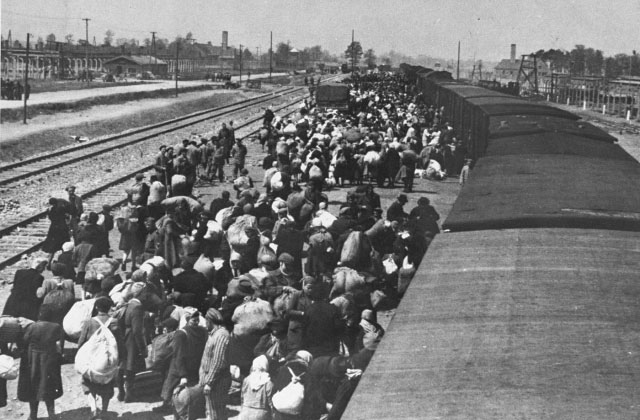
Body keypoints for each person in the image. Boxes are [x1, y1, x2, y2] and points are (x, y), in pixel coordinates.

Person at [17, 304, 65, 420]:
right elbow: (60, 346)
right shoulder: (56, 327)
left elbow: (23, 342)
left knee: (33, 385)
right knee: (49, 385)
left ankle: (33, 414)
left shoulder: (32, 327)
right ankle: (51, 414)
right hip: (50, 359)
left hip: (33, 359)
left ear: (39, 314)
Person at [77, 297, 119, 420]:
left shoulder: (89, 322)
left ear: (96, 307)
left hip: (91, 360)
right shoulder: (114, 322)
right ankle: (104, 411)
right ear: (109, 308)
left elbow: (81, 342)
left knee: (89, 383)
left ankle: (94, 409)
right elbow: (119, 342)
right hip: (108, 360)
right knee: (107, 383)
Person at [161, 309, 208, 407]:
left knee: (173, 387)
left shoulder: (183, 333)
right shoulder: (198, 332)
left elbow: (179, 355)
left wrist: (183, 375)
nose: (196, 323)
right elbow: (180, 354)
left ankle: (172, 406)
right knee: (180, 388)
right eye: (194, 320)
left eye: (197, 320)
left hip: (183, 366)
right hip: (189, 365)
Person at [199, 308, 231, 420]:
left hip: (218, 382)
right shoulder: (213, 334)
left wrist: (209, 382)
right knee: (212, 413)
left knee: (215, 414)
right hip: (213, 381)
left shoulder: (221, 335)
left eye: (205, 322)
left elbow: (218, 361)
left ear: (209, 321)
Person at [118, 282, 147, 402]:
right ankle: (129, 394)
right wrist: (142, 348)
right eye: (145, 292)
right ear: (141, 293)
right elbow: (137, 331)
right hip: (132, 339)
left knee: (122, 365)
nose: (146, 295)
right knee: (130, 367)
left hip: (124, 336)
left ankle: (121, 392)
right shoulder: (137, 307)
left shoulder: (129, 304)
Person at [239, 355, 274, 420]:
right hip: (261, 415)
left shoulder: (246, 379)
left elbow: (242, 398)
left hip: (245, 412)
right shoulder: (268, 382)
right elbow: (271, 404)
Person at [41, 198, 71, 270]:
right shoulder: (60, 208)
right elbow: (67, 215)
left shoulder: (50, 210)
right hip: (62, 228)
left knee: (52, 248)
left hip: (53, 229)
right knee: (64, 245)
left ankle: (48, 263)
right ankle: (65, 261)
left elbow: (51, 218)